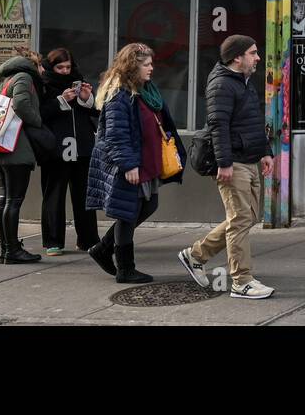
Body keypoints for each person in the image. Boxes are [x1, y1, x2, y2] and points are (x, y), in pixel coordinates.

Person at [178, 35, 276, 299]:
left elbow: (255, 121)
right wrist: (224, 163)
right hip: (233, 161)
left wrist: (266, 152)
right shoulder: (222, 84)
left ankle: (196, 255)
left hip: (250, 159)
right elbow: (218, 126)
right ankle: (241, 281)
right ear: (237, 57)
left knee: (246, 217)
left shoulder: (244, 82)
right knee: (241, 219)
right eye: (253, 53)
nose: (257, 57)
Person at [85, 43, 186, 283]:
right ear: (133, 65)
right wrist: (128, 165)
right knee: (128, 212)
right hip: (131, 162)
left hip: (148, 160)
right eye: (146, 64)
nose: (152, 68)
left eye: (151, 63)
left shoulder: (146, 90)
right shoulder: (119, 94)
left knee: (148, 206)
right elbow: (116, 134)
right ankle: (125, 268)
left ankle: (103, 248)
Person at [0, 47, 48, 264]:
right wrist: (38, 122)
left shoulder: (8, 79)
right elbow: (21, 105)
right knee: (13, 200)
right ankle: (12, 250)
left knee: (5, 199)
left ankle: (7, 249)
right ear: (32, 65)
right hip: (16, 148)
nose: (42, 70)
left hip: (2, 146)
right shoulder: (23, 77)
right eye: (41, 66)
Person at [39, 48, 100, 256]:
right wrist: (60, 101)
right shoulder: (44, 85)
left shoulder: (79, 81)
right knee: (54, 194)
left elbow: (96, 111)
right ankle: (53, 241)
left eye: (68, 67)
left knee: (84, 194)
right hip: (56, 148)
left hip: (82, 146)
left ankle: (88, 239)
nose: (65, 71)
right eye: (60, 67)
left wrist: (86, 98)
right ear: (51, 67)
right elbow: (39, 114)